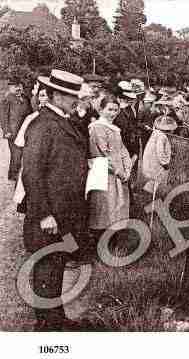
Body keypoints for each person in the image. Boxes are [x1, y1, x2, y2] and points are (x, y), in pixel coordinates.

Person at [22, 69, 89, 331]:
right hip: (50, 215)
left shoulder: (62, 120)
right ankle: (46, 326)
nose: (77, 101)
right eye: (72, 96)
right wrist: (43, 214)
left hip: (65, 212)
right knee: (47, 268)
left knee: (56, 265)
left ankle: (55, 319)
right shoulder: (43, 124)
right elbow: (32, 173)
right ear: (57, 95)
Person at [88, 95, 133, 250]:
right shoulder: (97, 127)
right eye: (109, 109)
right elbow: (104, 154)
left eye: (116, 109)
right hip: (104, 173)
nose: (113, 113)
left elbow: (122, 150)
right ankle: (102, 246)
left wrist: (128, 168)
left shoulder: (114, 128)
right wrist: (120, 172)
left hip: (119, 173)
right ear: (101, 110)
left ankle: (115, 244)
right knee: (105, 209)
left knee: (116, 209)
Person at [141, 106, 177, 197]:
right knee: (157, 179)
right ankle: (151, 197)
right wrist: (165, 163)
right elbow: (160, 152)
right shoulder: (162, 137)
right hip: (155, 163)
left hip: (151, 161)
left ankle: (147, 195)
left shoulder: (156, 133)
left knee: (153, 181)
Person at [0, 79, 32, 180]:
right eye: (15, 86)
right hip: (13, 132)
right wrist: (6, 131)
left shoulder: (26, 99)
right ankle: (13, 176)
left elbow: (30, 114)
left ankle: (17, 175)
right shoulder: (7, 99)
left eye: (20, 86)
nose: (18, 88)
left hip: (24, 131)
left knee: (22, 154)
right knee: (16, 155)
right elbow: (3, 117)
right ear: (10, 88)